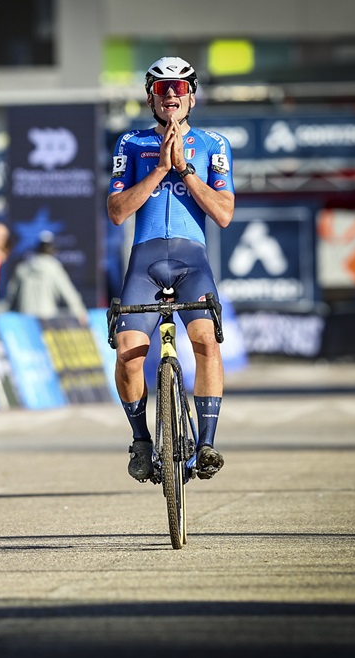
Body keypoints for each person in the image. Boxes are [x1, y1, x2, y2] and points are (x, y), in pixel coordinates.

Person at [107, 56, 234, 481]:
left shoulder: (215, 144)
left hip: (191, 262)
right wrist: (160, 167)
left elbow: (223, 214)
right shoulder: (130, 143)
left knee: (205, 343)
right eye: (164, 90)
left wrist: (184, 169)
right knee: (128, 356)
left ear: (192, 97)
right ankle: (142, 441)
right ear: (151, 98)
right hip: (144, 262)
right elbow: (117, 213)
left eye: (180, 89)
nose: (172, 96)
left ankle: (206, 444)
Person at [6, 231, 88, 325]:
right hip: (46, 318)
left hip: (25, 318)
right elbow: (68, 292)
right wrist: (80, 312)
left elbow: (10, 298)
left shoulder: (23, 268)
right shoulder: (53, 268)